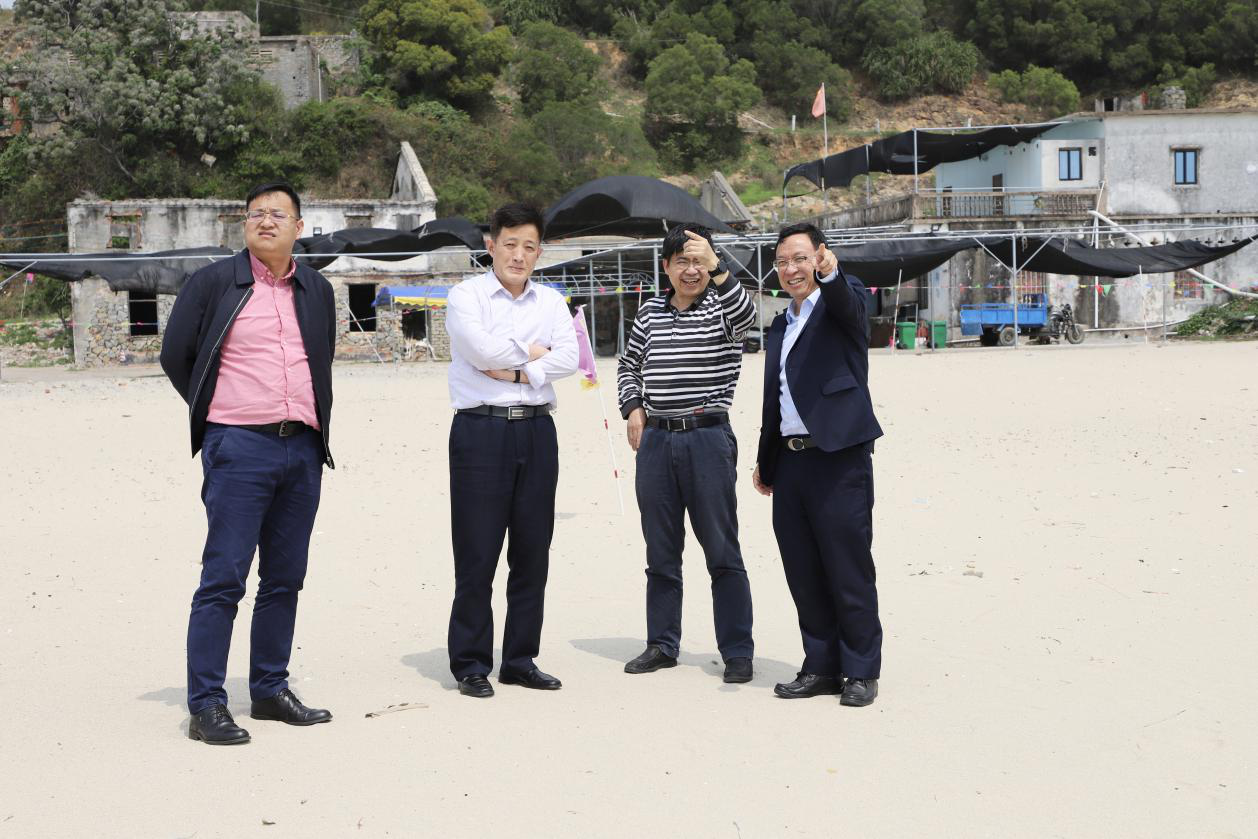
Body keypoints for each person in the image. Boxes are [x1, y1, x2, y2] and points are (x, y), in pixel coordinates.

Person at [160, 181, 337, 744]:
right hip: (238, 447)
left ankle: (269, 690)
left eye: (278, 214)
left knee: (285, 578)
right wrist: (220, 410)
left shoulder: (317, 289)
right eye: (256, 213)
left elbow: (322, 356)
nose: (266, 221)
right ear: (244, 224)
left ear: (299, 227)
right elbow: (176, 354)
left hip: (302, 448)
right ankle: (207, 705)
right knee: (224, 577)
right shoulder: (214, 282)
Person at [444, 203, 579, 698]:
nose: (519, 255)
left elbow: (572, 357)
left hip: (538, 431)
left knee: (532, 551)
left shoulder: (552, 301)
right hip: (480, 431)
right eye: (510, 244)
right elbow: (479, 350)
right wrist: (537, 353)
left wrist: (519, 369)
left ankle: (520, 659)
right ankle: (471, 663)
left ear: (540, 251)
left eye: (529, 247)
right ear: (491, 245)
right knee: (477, 551)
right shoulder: (466, 295)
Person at [616, 223, 757, 683]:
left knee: (722, 550)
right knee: (661, 552)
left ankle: (737, 651)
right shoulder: (649, 313)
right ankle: (661, 644)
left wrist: (719, 267)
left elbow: (748, 316)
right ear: (666, 266)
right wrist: (634, 408)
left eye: (699, 261)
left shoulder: (723, 307)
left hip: (707, 438)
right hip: (656, 441)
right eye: (683, 261)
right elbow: (628, 365)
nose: (691, 270)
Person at [751, 222, 884, 707]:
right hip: (791, 462)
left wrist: (832, 275)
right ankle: (821, 666)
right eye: (782, 262)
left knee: (848, 567)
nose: (791, 269)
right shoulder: (780, 324)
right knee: (803, 571)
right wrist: (766, 461)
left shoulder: (840, 301)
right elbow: (776, 397)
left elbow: (851, 305)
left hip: (838, 457)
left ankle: (861, 670)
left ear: (820, 256)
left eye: (800, 259)